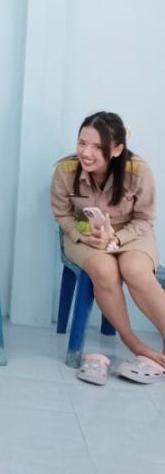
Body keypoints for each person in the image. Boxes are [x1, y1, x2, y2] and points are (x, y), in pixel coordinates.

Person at [51, 111, 165, 371]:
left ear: (116, 149)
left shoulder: (139, 171)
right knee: (104, 269)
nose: (86, 152)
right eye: (82, 143)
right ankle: (134, 343)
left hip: (131, 233)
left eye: (96, 147)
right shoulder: (65, 170)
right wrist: (84, 233)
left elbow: (144, 219)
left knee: (135, 269)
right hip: (84, 234)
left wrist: (116, 238)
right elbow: (63, 215)